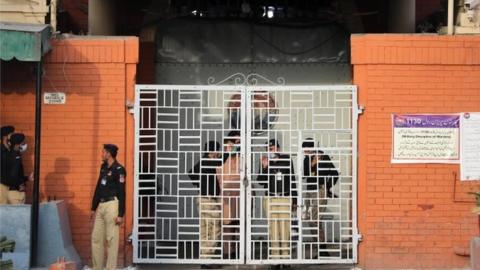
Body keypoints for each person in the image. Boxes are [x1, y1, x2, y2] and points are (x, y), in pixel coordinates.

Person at [259, 139, 297, 269]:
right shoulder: (265, 161)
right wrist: (265, 167)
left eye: (273, 148)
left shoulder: (286, 159)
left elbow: (292, 179)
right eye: (269, 149)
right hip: (270, 198)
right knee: (273, 229)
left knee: (285, 229)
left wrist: (295, 199)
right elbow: (261, 181)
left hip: (285, 197)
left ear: (279, 149)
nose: (271, 150)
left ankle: (286, 259)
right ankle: (275, 260)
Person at [302, 138, 339, 258]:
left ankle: (322, 250)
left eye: (306, 149)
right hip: (309, 191)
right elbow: (306, 175)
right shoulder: (306, 160)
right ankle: (321, 249)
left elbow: (334, 173)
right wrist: (313, 164)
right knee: (310, 220)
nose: (304, 152)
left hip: (319, 190)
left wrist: (327, 187)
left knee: (315, 219)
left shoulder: (323, 157)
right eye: (304, 150)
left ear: (311, 148)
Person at [91, 144, 126, 270]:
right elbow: (98, 187)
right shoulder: (103, 168)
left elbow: (122, 193)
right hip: (101, 205)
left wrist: (121, 214)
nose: (101, 154)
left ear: (109, 154)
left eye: (103, 152)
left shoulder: (119, 170)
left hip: (112, 205)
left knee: (111, 240)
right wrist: (93, 207)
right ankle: (97, 267)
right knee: (96, 238)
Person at [188, 141, 222, 268]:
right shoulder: (208, 161)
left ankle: (204, 258)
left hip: (203, 198)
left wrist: (201, 184)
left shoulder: (203, 161)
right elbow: (223, 159)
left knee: (205, 229)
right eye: (217, 150)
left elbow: (191, 173)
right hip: (208, 200)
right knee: (215, 228)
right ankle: (208, 258)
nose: (218, 152)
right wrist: (232, 149)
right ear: (211, 152)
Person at [216, 130, 241, 259]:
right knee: (227, 226)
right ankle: (228, 253)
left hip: (241, 197)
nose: (237, 144)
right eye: (234, 141)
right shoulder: (221, 159)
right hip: (226, 197)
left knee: (241, 225)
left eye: (239, 142)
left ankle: (243, 252)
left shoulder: (242, 158)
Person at [4, 133, 33, 204]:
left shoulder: (9, 155)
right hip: (15, 193)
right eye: (23, 143)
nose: (25, 145)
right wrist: (20, 184)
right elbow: (13, 176)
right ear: (17, 145)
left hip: (11, 192)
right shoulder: (16, 158)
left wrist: (27, 178)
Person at [0, 125, 15, 204]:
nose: (13, 136)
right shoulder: (1, 150)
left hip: (10, 184)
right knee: (3, 208)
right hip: (2, 184)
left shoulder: (10, 149)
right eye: (12, 134)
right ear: (6, 136)